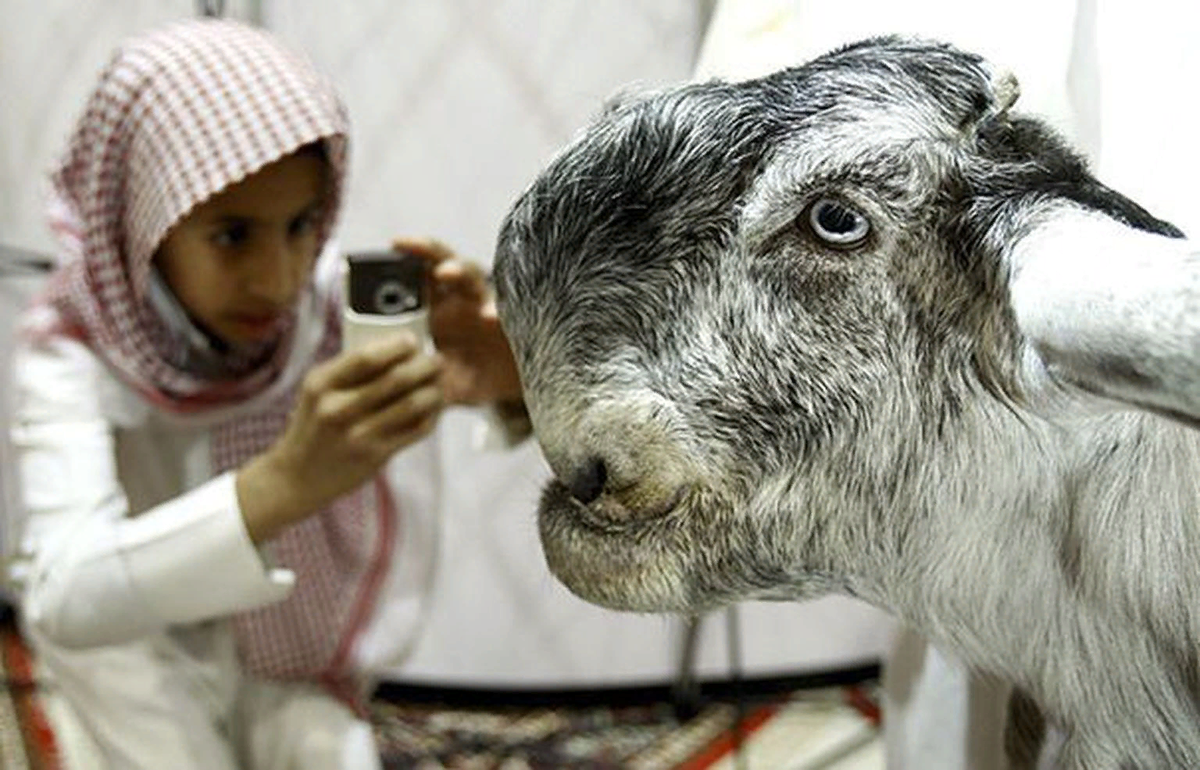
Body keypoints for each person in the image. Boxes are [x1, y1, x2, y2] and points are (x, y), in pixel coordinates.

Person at [6, 17, 523, 770]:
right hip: (134, 651)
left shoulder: (322, 303)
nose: (279, 279)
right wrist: (286, 481)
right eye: (231, 236)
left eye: (302, 225)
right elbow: (64, 595)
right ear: (145, 222)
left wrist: (506, 374)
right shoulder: (72, 348)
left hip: (291, 650)